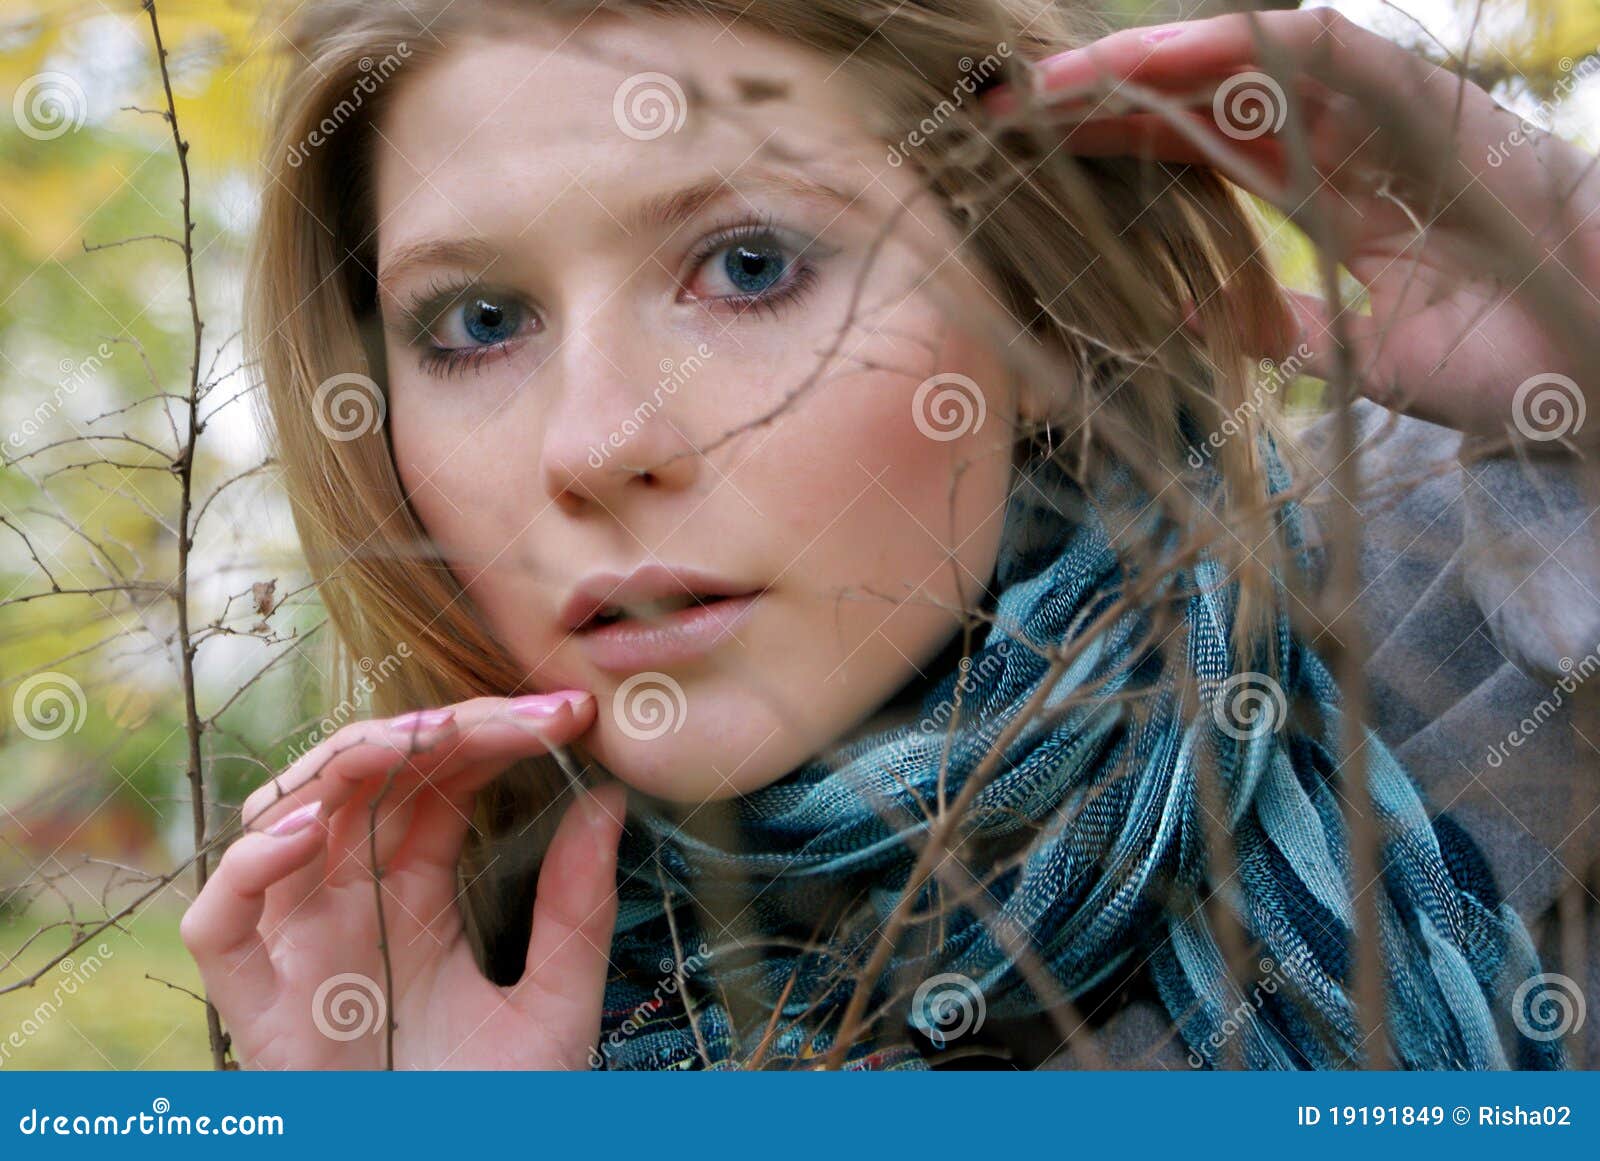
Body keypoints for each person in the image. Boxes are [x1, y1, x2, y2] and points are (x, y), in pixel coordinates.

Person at [180, 0, 1597, 1069]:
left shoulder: (1490, 620)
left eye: (748, 266)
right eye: (478, 323)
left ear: (1024, 300)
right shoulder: (406, 993)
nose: (597, 443)